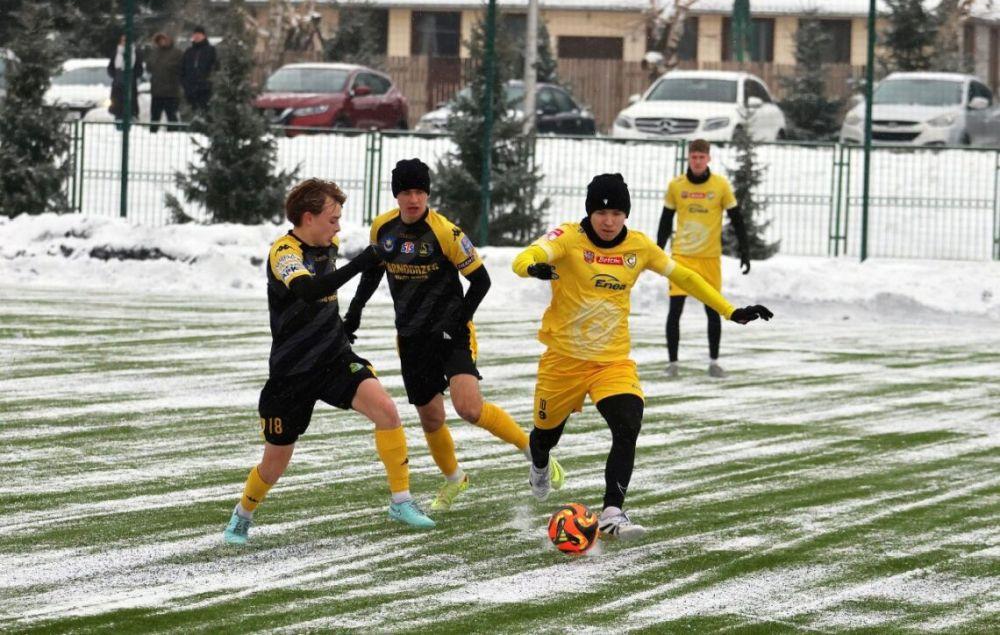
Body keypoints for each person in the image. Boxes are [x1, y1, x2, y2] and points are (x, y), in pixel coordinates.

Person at [513, 173, 772, 539]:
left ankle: (612, 513)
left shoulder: (639, 247)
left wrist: (730, 311)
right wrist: (533, 267)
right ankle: (539, 465)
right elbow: (528, 256)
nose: (609, 221)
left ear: (626, 214)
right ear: (590, 212)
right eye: (602, 213)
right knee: (544, 439)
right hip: (564, 360)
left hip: (612, 361)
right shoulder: (569, 238)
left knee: (628, 422)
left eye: (617, 213)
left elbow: (686, 277)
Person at [223, 178, 435, 545]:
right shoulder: (284, 253)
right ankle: (242, 515)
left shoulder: (329, 244)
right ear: (309, 218)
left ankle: (401, 501)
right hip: (292, 373)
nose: (338, 227)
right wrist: (362, 263)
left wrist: (350, 316)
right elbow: (308, 291)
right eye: (332, 218)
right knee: (275, 462)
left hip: (335, 359)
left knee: (387, 412)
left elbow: (358, 273)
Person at [344, 159, 562, 512]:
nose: (413, 199)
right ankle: (454, 479)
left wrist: (457, 322)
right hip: (411, 338)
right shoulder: (382, 229)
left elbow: (481, 281)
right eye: (406, 192)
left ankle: (534, 452)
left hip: (451, 333)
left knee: (469, 408)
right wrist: (354, 312)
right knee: (431, 418)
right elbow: (372, 272)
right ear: (396, 195)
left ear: (428, 193)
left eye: (419, 192)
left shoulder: (446, 232)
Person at [657, 139, 750, 379]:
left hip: (709, 258)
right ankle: (673, 364)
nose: (697, 162)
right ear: (689, 158)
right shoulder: (676, 186)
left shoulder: (720, 185)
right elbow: (666, 220)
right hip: (682, 257)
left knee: (713, 310)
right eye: (693, 157)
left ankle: (714, 362)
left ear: (708, 158)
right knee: (675, 309)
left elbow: (736, 218)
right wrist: (658, 250)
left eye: (701, 157)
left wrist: (745, 249)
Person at [146, 32, 183, 132]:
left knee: (171, 117)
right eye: (159, 40)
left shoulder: (177, 53)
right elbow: (149, 67)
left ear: (169, 40)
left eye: (164, 39)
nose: (162, 42)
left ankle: (173, 136)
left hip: (171, 92)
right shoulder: (154, 52)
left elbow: (182, 69)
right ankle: (152, 136)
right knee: (154, 117)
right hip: (156, 91)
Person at [107, 34, 142, 124]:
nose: (124, 42)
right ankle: (118, 121)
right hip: (118, 84)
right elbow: (110, 67)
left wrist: (132, 76)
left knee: (130, 104)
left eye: (126, 40)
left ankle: (131, 120)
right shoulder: (116, 53)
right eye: (123, 40)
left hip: (130, 84)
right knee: (118, 105)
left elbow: (139, 69)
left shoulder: (135, 53)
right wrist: (116, 75)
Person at [181, 25, 216, 114]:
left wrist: (209, 82)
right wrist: (184, 83)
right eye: (195, 34)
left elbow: (215, 67)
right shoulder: (189, 51)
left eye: (199, 34)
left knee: (205, 112)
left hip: (205, 89)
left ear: (204, 36)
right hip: (190, 89)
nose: (197, 36)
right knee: (192, 112)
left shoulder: (211, 50)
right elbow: (182, 68)